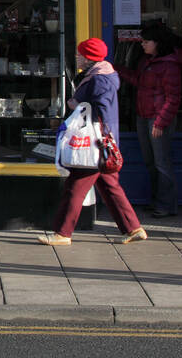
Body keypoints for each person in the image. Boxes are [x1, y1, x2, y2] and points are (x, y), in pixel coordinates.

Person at [38, 37, 147, 246]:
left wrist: (80, 107)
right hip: (101, 140)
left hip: (93, 141)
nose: (77, 58)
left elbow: (102, 107)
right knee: (109, 186)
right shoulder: (100, 75)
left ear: (88, 58)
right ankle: (133, 228)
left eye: (80, 55)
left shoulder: (99, 79)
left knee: (75, 186)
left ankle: (62, 233)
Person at [118, 21, 182, 218]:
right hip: (143, 116)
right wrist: (118, 69)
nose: (142, 44)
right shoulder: (147, 61)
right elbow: (138, 80)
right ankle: (157, 200)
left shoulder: (169, 66)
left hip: (157, 119)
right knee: (150, 161)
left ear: (158, 43)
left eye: (146, 41)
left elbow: (173, 98)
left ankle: (165, 205)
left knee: (161, 163)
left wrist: (160, 123)